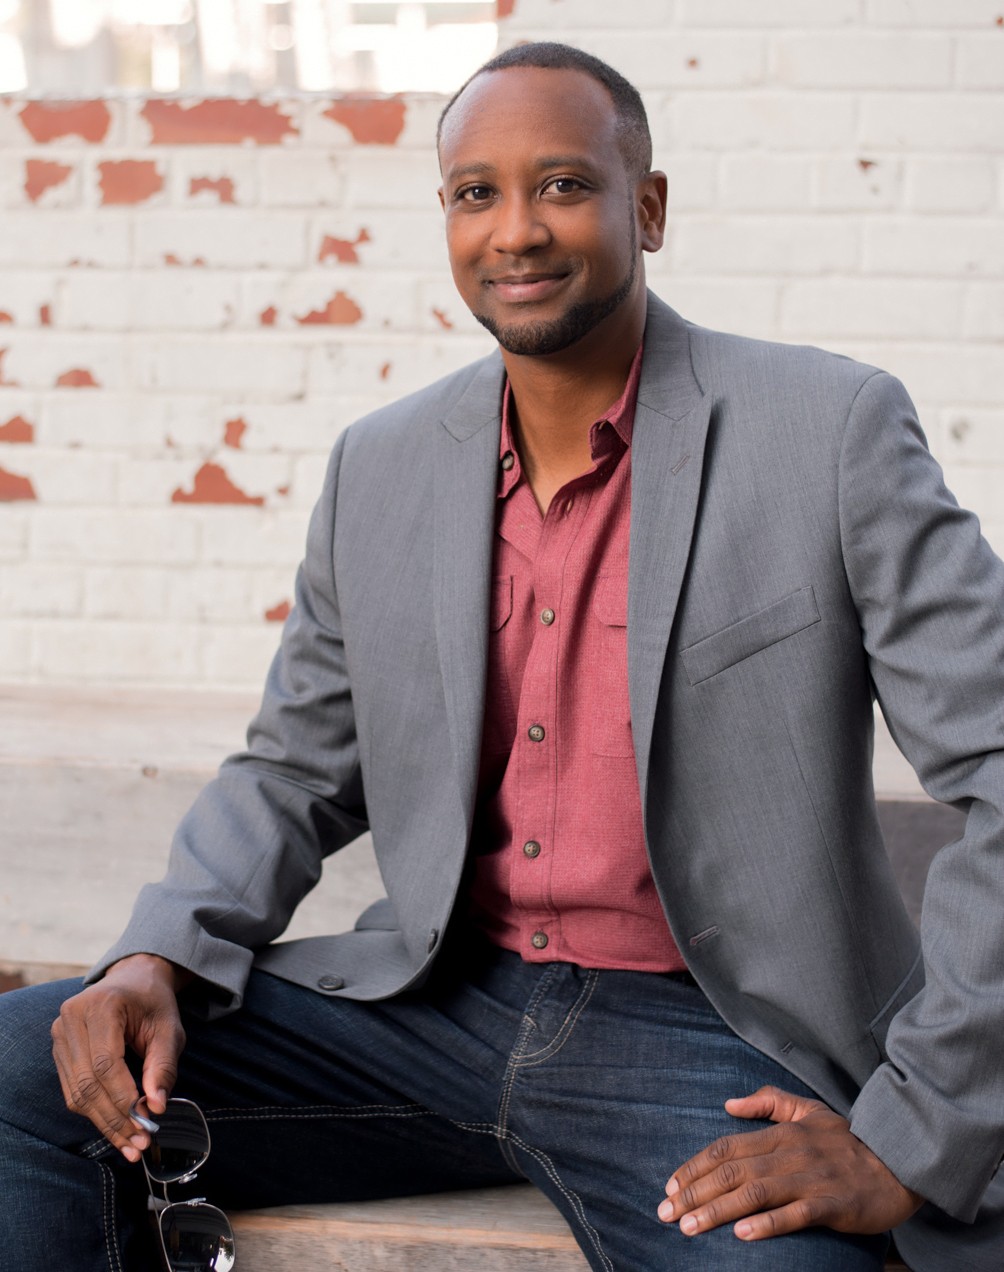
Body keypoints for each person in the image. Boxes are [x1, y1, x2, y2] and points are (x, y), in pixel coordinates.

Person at [2, 41, 1003, 1272]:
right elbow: (293, 768)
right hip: (430, 1009)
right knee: (28, 1071)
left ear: (647, 208)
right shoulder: (380, 466)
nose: (515, 230)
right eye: (476, 192)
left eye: (563, 185)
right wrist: (155, 952)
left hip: (710, 1041)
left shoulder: (826, 430)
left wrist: (906, 1138)